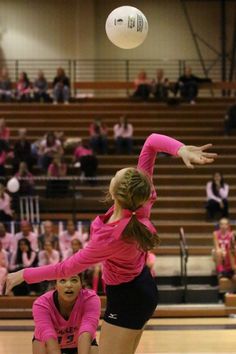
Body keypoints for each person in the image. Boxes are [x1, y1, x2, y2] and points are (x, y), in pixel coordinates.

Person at [5, 133, 216, 354]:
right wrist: (180, 149)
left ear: (115, 191)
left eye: (117, 174)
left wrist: (22, 274)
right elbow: (151, 141)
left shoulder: (110, 237)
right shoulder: (140, 202)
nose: (118, 172)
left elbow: (64, 269)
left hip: (127, 297)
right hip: (142, 288)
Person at [32, 274, 100, 354]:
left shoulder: (90, 299)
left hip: (80, 343)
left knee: (93, 350)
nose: (69, 285)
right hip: (51, 344)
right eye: (63, 280)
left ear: (81, 284)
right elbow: (47, 334)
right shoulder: (41, 303)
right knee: (41, 343)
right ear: (55, 286)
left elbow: (87, 331)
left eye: (74, 280)